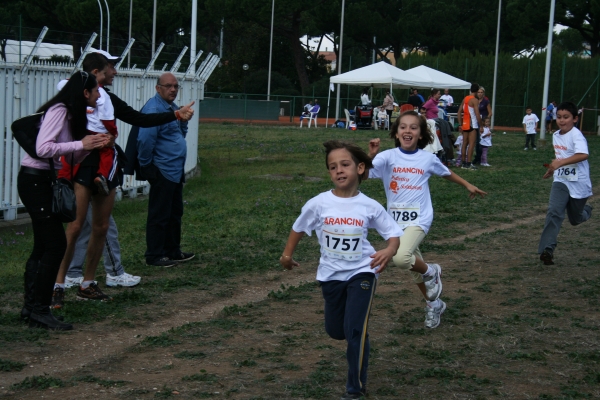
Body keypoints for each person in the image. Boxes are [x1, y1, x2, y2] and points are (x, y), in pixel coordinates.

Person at [52, 51, 195, 308]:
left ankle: (88, 283)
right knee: (74, 228)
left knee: (101, 227)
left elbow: (138, 119)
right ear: (97, 72)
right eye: (111, 68)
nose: (115, 72)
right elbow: (58, 128)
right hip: (81, 165)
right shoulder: (70, 94)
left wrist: (175, 115)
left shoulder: (106, 96)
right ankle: (57, 285)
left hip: (106, 166)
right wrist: (80, 144)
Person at [279, 140, 402, 400]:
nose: (339, 170)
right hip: (331, 275)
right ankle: (358, 335)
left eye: (344, 164)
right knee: (338, 331)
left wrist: (389, 251)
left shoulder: (369, 205)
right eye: (333, 167)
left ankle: (354, 389)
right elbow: (298, 227)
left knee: (355, 330)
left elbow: (392, 235)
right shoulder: (319, 203)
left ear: (359, 168)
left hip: (363, 271)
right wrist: (287, 256)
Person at [368, 111, 487, 329]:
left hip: (420, 218)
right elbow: (364, 174)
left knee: (401, 258)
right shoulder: (386, 157)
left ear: (422, 134)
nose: (408, 131)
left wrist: (467, 184)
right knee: (413, 268)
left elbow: (446, 173)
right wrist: (371, 155)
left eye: (413, 127)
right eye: (403, 127)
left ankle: (432, 271)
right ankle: (434, 303)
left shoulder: (427, 159)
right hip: (395, 222)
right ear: (396, 132)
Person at [18, 71, 108, 330]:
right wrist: (80, 143)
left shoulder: (72, 115)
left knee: (43, 245)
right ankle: (39, 309)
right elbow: (43, 148)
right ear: (84, 93)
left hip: (43, 179)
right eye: (95, 90)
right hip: (34, 180)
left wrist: (90, 145)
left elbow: (67, 156)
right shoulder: (59, 110)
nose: (99, 94)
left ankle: (32, 306)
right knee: (55, 244)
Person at [137, 73, 195, 267]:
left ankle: (172, 251)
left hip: (175, 170)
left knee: (174, 212)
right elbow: (144, 140)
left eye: (175, 86)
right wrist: (147, 166)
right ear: (158, 88)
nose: (173, 90)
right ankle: (154, 255)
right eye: (168, 86)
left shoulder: (173, 109)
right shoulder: (154, 109)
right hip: (162, 169)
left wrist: (184, 121)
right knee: (159, 214)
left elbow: (179, 134)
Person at [538, 102, 593, 266]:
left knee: (575, 219)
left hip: (579, 183)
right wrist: (553, 169)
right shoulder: (556, 135)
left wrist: (561, 163)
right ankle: (547, 249)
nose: (562, 121)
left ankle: (587, 211)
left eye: (566, 117)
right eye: (559, 117)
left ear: (575, 119)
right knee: (554, 212)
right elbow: (560, 157)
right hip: (561, 180)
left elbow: (583, 154)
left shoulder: (576, 135)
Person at [457, 83, 483, 170]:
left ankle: (463, 163)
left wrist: (460, 124)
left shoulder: (465, 98)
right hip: (473, 124)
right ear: (476, 91)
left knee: (464, 144)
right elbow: (477, 114)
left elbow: (459, 112)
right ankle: (469, 163)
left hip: (465, 124)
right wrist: (481, 125)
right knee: (472, 144)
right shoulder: (474, 100)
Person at [473, 87, 491, 165]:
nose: (480, 93)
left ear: (483, 93)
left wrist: (486, 121)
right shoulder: (475, 100)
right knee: (476, 140)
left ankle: (479, 158)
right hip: (475, 122)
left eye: (481, 92)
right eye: (478, 92)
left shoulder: (486, 101)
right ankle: (477, 157)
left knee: (480, 141)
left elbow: (490, 112)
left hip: (482, 123)